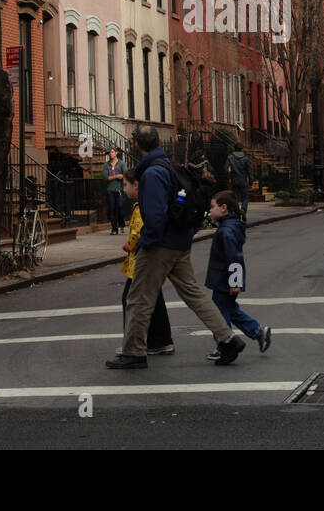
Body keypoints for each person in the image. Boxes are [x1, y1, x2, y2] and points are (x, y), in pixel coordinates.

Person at [105, 126, 245, 368]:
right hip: (180, 242)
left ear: (137, 146)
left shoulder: (151, 174)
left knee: (138, 297)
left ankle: (134, 352)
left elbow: (155, 216)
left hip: (160, 245)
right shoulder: (170, 168)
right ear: (159, 141)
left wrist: (146, 244)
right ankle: (228, 338)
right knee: (194, 294)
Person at [204, 190, 271, 358]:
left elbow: (234, 258)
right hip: (225, 280)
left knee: (220, 314)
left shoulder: (226, 232)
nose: (210, 210)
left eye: (212, 207)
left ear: (224, 208)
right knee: (231, 310)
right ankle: (258, 332)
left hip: (223, 281)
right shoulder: (230, 227)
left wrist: (235, 282)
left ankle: (223, 345)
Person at [117, 171, 174, 354]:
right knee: (154, 299)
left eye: (126, 185)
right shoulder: (147, 203)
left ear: (136, 185)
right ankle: (161, 340)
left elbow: (137, 231)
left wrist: (129, 244)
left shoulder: (141, 206)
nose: (124, 189)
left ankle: (132, 343)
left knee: (130, 299)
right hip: (150, 258)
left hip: (139, 261)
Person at [225, 142, 253, 220]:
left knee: (235, 197)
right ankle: (243, 209)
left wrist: (229, 177)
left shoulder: (230, 158)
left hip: (234, 179)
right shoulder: (245, 158)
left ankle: (237, 212)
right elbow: (249, 171)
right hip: (243, 180)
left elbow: (225, 168)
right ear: (241, 149)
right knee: (245, 197)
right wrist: (251, 180)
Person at [105, 147, 128, 235]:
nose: (111, 154)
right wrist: (117, 176)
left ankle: (121, 224)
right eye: (109, 153)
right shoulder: (106, 165)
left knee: (120, 207)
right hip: (110, 190)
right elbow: (106, 177)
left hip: (120, 190)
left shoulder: (122, 164)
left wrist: (117, 177)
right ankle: (114, 229)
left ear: (116, 153)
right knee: (112, 209)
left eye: (112, 152)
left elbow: (125, 175)